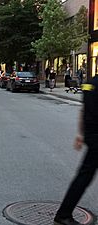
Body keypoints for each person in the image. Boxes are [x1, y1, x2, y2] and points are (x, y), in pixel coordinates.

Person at [54, 74, 98, 225]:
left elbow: (83, 110)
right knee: (84, 176)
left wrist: (80, 133)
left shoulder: (90, 83)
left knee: (84, 175)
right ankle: (63, 214)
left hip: (91, 134)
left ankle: (64, 214)